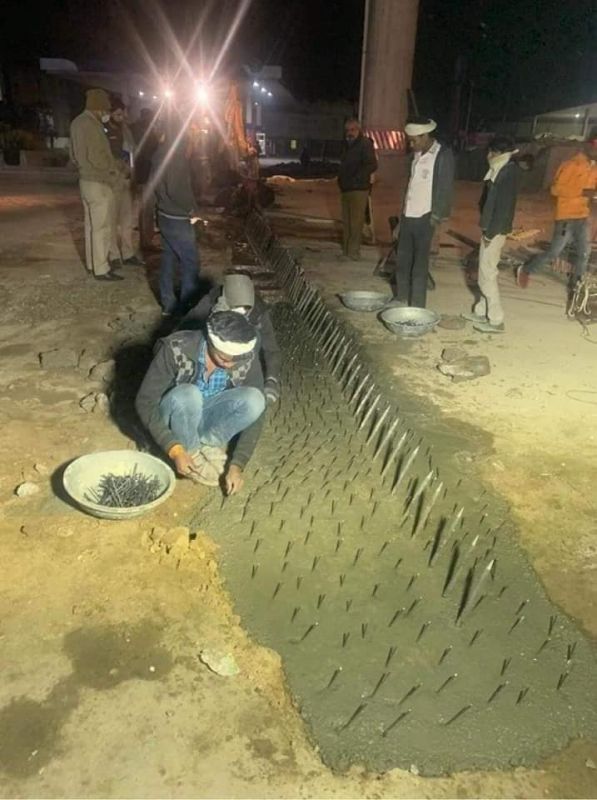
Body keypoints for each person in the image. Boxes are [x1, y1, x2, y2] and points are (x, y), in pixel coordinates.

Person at [135, 310, 266, 493]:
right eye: (223, 358)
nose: (230, 364)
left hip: (204, 416)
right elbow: (145, 402)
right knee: (189, 394)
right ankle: (191, 450)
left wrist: (237, 464)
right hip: (173, 415)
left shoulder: (245, 357)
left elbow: (256, 417)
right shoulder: (176, 348)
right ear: (210, 341)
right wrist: (175, 450)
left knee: (256, 400)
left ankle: (207, 443)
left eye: (235, 360)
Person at [181, 271, 281, 405]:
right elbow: (184, 330)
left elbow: (271, 349)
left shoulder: (258, 312)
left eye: (245, 310)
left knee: (255, 336)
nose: (240, 314)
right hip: (211, 355)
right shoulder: (211, 301)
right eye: (235, 309)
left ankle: (237, 385)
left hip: (241, 364)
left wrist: (271, 379)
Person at [516, 139, 597, 288]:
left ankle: (576, 285)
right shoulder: (570, 165)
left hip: (582, 215)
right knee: (554, 252)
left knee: (584, 252)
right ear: (590, 146)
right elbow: (556, 189)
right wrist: (582, 192)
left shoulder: (594, 168)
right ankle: (526, 269)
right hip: (566, 216)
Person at [393, 118, 454, 308]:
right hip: (408, 215)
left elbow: (445, 188)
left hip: (426, 217)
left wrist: (436, 218)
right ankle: (401, 297)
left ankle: (417, 306)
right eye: (409, 140)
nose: (411, 144)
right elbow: (410, 188)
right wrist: (400, 218)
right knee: (402, 261)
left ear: (425, 135)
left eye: (414, 140)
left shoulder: (442, 155)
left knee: (419, 265)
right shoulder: (416, 155)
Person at [462, 136, 519, 333]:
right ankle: (480, 311)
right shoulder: (501, 169)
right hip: (491, 229)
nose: (488, 156)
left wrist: (490, 233)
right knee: (483, 272)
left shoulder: (506, 172)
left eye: (490, 152)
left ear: (498, 153)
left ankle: (496, 320)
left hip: (494, 231)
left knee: (487, 275)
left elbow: (503, 209)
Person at [69, 88, 123, 281]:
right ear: (99, 107)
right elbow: (97, 157)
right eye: (105, 110)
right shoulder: (91, 125)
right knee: (102, 227)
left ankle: (93, 265)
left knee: (90, 226)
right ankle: (102, 268)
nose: (106, 114)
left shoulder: (76, 123)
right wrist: (111, 170)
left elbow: (73, 155)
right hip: (98, 181)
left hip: (85, 181)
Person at [151, 122, 202, 316]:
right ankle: (187, 309)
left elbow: (155, 185)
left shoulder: (159, 153)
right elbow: (175, 189)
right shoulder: (176, 156)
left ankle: (168, 304)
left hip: (163, 214)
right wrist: (191, 209)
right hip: (177, 217)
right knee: (191, 262)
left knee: (168, 258)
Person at [105, 99, 144, 268]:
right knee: (112, 221)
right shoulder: (104, 131)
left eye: (123, 113)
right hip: (112, 180)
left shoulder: (126, 130)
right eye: (117, 114)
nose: (121, 117)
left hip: (127, 180)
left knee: (127, 220)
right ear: (110, 114)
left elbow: (132, 151)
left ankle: (128, 253)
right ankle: (113, 255)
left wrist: (132, 174)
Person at [337, 118, 378, 260]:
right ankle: (347, 251)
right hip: (346, 188)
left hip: (358, 189)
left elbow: (372, 164)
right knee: (347, 222)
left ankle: (353, 252)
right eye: (347, 130)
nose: (349, 133)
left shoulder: (365, 144)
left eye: (352, 129)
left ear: (358, 130)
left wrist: (357, 179)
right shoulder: (346, 145)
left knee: (356, 222)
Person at [131, 108, 160, 251]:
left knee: (146, 209)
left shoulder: (140, 129)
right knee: (147, 209)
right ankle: (146, 242)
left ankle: (147, 240)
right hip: (146, 173)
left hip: (144, 173)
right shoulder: (145, 131)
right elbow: (147, 152)